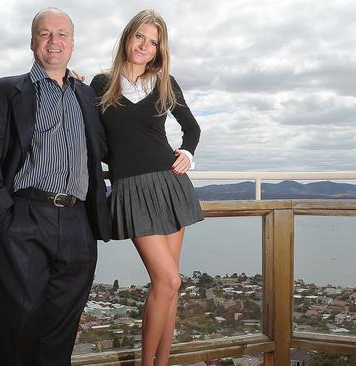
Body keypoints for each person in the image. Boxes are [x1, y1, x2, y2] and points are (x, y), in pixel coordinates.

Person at [0, 8, 108, 366]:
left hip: (79, 224)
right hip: (25, 219)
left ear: (73, 43)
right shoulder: (1, 92)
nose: (54, 41)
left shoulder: (87, 97)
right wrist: (6, 218)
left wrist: (177, 154)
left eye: (62, 34)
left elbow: (110, 149)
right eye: (45, 34)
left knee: (61, 329)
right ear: (33, 42)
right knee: (17, 325)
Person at [90, 9, 203, 366]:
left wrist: (187, 153)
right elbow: (98, 143)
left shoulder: (165, 82)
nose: (145, 46)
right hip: (132, 189)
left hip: (170, 185)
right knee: (168, 281)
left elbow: (193, 129)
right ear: (127, 37)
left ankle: (162, 362)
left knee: (171, 287)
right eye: (140, 36)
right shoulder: (99, 84)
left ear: (159, 49)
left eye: (153, 42)